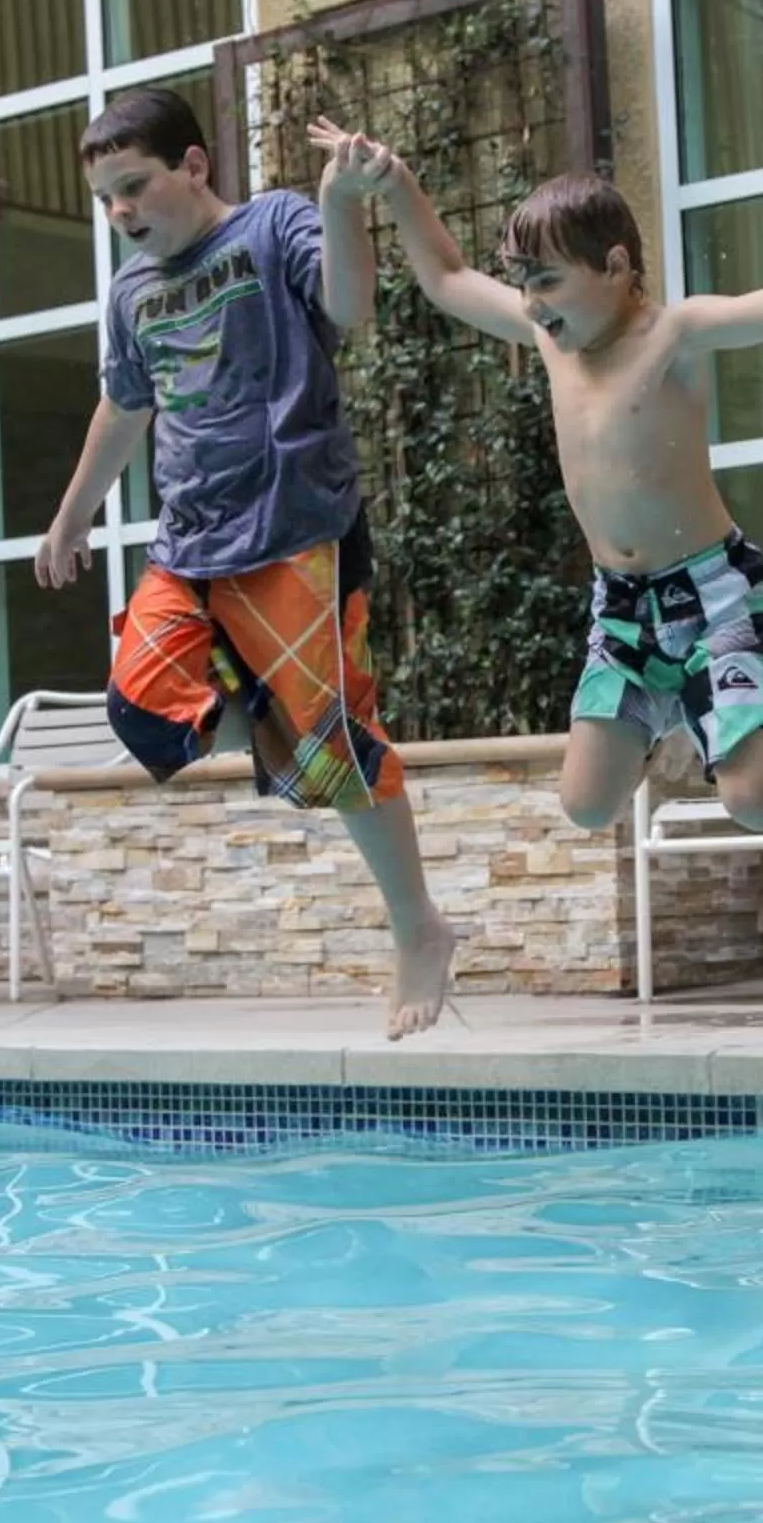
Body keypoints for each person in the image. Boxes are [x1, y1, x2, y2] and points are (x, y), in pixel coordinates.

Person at [310, 116, 763, 853]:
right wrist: (395, 183)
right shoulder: (549, 340)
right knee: (587, 804)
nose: (530, 301)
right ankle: (683, 713)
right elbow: (450, 278)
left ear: (617, 266)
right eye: (524, 281)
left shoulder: (674, 336)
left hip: (716, 592)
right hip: (622, 603)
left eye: (548, 280)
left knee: (755, 801)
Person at [37, 89, 457, 1039]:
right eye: (104, 199)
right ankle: (282, 720)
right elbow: (124, 409)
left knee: (340, 750)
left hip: (295, 529)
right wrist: (70, 520)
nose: (121, 214)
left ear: (193, 166)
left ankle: (418, 930)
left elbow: (350, 305)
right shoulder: (131, 294)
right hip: (188, 543)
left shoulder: (272, 227)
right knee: (140, 709)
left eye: (133, 187)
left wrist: (341, 201)